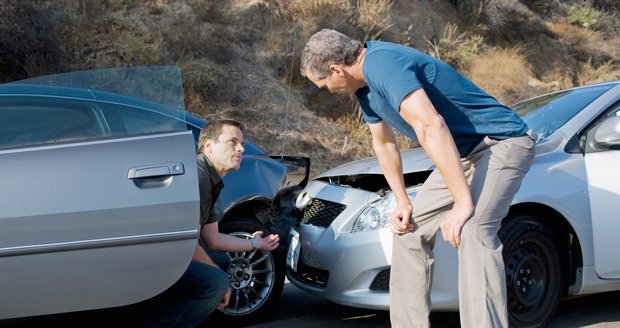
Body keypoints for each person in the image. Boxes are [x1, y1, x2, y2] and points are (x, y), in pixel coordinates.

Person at [300, 29, 535, 328]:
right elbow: (383, 143)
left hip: (501, 143)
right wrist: (401, 200)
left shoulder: (381, 63)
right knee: (408, 231)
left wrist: (462, 203)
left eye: (323, 84)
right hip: (462, 155)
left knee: (475, 230)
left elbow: (431, 125)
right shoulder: (364, 88)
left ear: (336, 70)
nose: (327, 90)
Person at [139, 119, 280, 327]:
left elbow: (212, 239)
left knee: (221, 261)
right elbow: (188, 245)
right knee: (216, 283)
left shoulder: (211, 180)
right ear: (208, 146)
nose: (241, 148)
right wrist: (221, 282)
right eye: (233, 141)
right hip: (153, 254)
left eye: (242, 142)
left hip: (172, 250)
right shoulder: (198, 179)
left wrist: (256, 244)